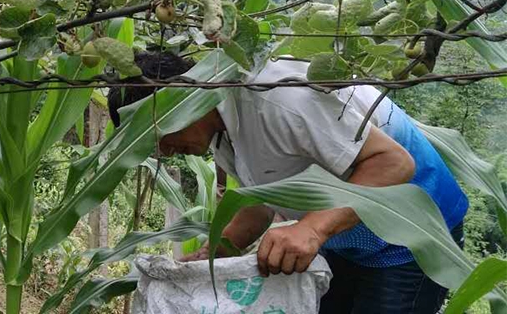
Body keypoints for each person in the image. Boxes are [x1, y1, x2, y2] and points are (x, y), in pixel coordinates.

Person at [108, 51, 468, 314]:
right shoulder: (217, 127)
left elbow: (393, 163)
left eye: (159, 136)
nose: (164, 151)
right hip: (345, 236)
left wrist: (311, 228)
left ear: (182, 101)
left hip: (410, 237)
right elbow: (262, 197)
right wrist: (223, 247)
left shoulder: (276, 99)